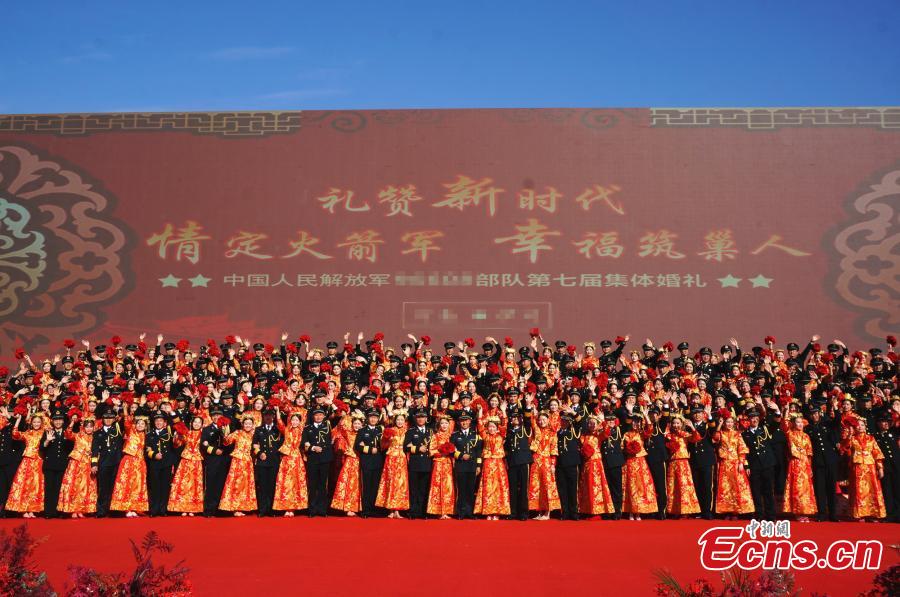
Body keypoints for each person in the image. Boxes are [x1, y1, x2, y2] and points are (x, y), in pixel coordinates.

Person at [841, 417, 886, 521]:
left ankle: (873, 513)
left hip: (870, 468)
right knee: (859, 491)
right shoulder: (852, 438)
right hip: (857, 468)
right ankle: (859, 514)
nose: (860, 427)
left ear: (865, 426)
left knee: (872, 490)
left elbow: (877, 453)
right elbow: (844, 448)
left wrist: (880, 468)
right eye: (858, 425)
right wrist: (849, 435)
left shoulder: (871, 438)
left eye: (862, 425)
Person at [4, 413, 45, 517]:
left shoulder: (43, 433)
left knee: (35, 485)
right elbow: (15, 434)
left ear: (41, 423)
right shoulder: (27, 433)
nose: (36, 424)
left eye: (38, 422)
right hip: (27, 461)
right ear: (31, 423)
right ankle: (23, 509)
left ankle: (32, 509)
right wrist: (18, 420)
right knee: (25, 484)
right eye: (34, 422)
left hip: (38, 461)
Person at [713, 414, 754, 518]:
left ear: (734, 423)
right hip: (724, 463)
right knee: (726, 488)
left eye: (731, 422)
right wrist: (719, 425)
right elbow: (715, 438)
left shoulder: (737, 434)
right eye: (727, 422)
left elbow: (742, 449)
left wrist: (741, 462)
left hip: (735, 463)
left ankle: (736, 510)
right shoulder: (721, 433)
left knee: (736, 487)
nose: (729, 424)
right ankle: (727, 510)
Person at [805, 403, 840, 521]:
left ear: (819, 413)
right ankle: (821, 514)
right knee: (820, 489)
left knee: (831, 488)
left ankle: (833, 514)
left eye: (815, 413)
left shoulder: (827, 424)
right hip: (818, 462)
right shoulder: (808, 429)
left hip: (830, 460)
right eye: (812, 414)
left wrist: (835, 407)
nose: (814, 416)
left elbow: (837, 421)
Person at [110, 415, 149, 517]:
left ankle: (134, 507)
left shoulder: (146, 436)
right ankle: (126, 509)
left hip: (140, 462)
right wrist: (126, 410)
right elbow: (127, 423)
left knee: (137, 486)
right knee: (126, 484)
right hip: (129, 461)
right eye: (138, 423)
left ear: (145, 426)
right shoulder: (131, 431)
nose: (140, 425)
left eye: (142, 424)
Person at [58, 415, 97, 518]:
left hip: (88, 464)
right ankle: (72, 509)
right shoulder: (78, 435)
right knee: (73, 486)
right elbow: (67, 434)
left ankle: (81, 509)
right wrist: (72, 422)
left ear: (94, 427)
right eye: (87, 426)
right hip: (75, 463)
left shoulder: (95, 438)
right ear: (83, 427)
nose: (89, 428)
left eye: (91, 426)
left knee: (84, 487)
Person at [742, 408, 777, 521]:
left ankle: (771, 515)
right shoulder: (744, 434)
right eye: (752, 417)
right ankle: (759, 515)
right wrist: (746, 466)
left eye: (756, 417)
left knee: (768, 490)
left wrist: (777, 410)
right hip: (754, 465)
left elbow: (776, 423)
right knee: (756, 491)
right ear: (749, 419)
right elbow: (744, 452)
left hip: (767, 464)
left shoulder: (765, 429)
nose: (754, 419)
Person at [220, 415, 258, 516]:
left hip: (248, 462)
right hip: (237, 461)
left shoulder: (254, 434)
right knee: (236, 483)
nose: (248, 425)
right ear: (242, 424)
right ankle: (234, 507)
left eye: (250, 424)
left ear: (253, 425)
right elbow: (227, 442)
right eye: (246, 423)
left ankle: (243, 506)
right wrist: (225, 434)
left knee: (245, 484)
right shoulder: (237, 433)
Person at [577, 414, 614, 518]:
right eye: (590, 423)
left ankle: (598, 510)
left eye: (594, 423)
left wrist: (603, 421)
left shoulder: (599, 435)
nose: (592, 425)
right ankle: (586, 510)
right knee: (586, 486)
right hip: (587, 463)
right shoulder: (584, 436)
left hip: (597, 463)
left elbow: (607, 433)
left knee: (597, 486)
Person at [664, 414, 700, 517]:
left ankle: (685, 510)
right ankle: (673, 510)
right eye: (674, 423)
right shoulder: (669, 435)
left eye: (678, 423)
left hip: (683, 462)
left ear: (681, 424)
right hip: (672, 462)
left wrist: (692, 427)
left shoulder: (684, 434)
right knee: (673, 486)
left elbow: (696, 438)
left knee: (684, 485)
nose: (676, 425)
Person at [474, 415, 510, 520]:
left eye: (494, 427)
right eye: (490, 427)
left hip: (498, 463)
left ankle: (497, 511)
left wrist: (503, 413)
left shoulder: (501, 436)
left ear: (497, 428)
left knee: (498, 487)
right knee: (488, 486)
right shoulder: (485, 436)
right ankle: (488, 511)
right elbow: (480, 427)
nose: (491, 428)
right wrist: (480, 414)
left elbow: (504, 425)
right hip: (488, 463)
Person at [622, 413, 657, 520]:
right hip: (629, 462)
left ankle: (639, 511)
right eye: (633, 421)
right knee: (630, 486)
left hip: (640, 462)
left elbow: (650, 430)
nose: (635, 424)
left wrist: (646, 416)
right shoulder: (626, 434)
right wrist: (627, 449)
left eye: (637, 421)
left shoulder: (641, 433)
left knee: (640, 485)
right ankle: (631, 511)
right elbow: (622, 446)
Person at [783, 414, 817, 522]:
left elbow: (809, 453)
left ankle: (805, 511)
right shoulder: (790, 434)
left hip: (805, 463)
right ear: (793, 424)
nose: (800, 424)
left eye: (801, 422)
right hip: (795, 463)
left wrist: (810, 467)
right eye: (797, 422)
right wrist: (786, 410)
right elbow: (784, 425)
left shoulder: (806, 436)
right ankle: (797, 511)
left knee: (805, 488)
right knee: (796, 488)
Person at [168, 416, 204, 516]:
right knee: (183, 483)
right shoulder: (187, 433)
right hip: (186, 460)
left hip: (197, 460)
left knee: (195, 484)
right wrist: (177, 436)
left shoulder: (203, 434)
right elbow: (177, 444)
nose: (196, 424)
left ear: (202, 425)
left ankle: (193, 508)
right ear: (191, 423)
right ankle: (182, 507)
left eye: (199, 422)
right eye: (195, 422)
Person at [273, 412, 308, 516]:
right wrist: (277, 410)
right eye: (293, 420)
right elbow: (279, 422)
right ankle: (285, 507)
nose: (294, 422)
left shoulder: (302, 430)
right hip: (286, 458)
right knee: (285, 482)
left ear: (300, 422)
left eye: (297, 420)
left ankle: (293, 508)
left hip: (297, 458)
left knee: (296, 482)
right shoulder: (287, 430)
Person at [376, 413, 410, 518]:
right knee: (390, 482)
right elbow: (382, 446)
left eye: (402, 420)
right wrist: (387, 439)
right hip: (391, 458)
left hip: (402, 459)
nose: (400, 422)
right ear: (395, 421)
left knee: (400, 484)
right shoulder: (390, 430)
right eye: (398, 420)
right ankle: (390, 509)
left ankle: (397, 510)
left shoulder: (407, 431)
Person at [527, 410, 559, 520]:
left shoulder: (552, 433)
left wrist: (553, 464)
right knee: (537, 486)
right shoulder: (536, 431)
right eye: (539, 420)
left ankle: (547, 512)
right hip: (536, 461)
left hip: (546, 461)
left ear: (548, 420)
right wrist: (532, 410)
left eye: (544, 420)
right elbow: (531, 421)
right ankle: (539, 511)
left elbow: (554, 450)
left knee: (547, 486)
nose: (541, 422)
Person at [91, 410, 123, 517]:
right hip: (103, 463)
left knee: (114, 487)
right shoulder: (97, 433)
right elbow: (95, 450)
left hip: (116, 463)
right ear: (103, 419)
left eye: (111, 418)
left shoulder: (117, 431)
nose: (108, 420)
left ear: (114, 419)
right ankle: (101, 510)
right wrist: (94, 464)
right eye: (106, 417)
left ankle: (113, 510)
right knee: (103, 488)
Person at [302, 407, 334, 517]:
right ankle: (312, 510)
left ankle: (322, 510)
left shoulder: (328, 427)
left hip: (325, 458)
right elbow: (303, 444)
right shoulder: (307, 428)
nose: (318, 417)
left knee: (323, 485)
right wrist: (312, 447)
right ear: (313, 416)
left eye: (321, 415)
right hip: (313, 459)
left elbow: (331, 441)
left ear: (324, 416)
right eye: (316, 415)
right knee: (313, 484)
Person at [450, 413, 481, 520]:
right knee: (461, 489)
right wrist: (462, 456)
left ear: (470, 422)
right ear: (459, 422)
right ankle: (461, 512)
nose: (464, 422)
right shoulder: (454, 435)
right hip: (461, 465)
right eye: (462, 420)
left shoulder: (475, 435)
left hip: (472, 466)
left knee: (471, 489)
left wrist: (478, 465)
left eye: (466, 420)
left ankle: (470, 512)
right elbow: (451, 450)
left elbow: (478, 452)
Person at [331, 411, 363, 516]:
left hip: (360, 461)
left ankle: (357, 507)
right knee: (348, 483)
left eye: (359, 424)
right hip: (350, 461)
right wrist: (346, 415)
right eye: (355, 423)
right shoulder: (348, 433)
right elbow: (340, 427)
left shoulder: (364, 434)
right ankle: (347, 507)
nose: (357, 425)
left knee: (358, 485)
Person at [253, 409, 283, 517]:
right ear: (263, 417)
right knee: (262, 486)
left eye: (270, 416)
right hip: (262, 461)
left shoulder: (278, 430)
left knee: (271, 486)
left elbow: (282, 444)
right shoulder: (258, 429)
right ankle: (262, 509)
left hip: (274, 461)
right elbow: (254, 445)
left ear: (273, 417)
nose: (268, 418)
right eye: (266, 416)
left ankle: (271, 509)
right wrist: (259, 453)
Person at [41, 411, 71, 518]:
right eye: (55, 420)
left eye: (60, 420)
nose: (58, 422)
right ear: (52, 421)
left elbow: (71, 449)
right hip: (50, 465)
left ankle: (58, 511)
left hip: (62, 465)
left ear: (63, 421)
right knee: (49, 488)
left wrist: (68, 440)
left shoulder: (67, 433)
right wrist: (47, 441)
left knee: (59, 488)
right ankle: (49, 512)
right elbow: (42, 448)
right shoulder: (48, 432)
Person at [504, 409, 533, 521]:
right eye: (513, 417)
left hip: (523, 461)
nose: (515, 419)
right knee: (513, 488)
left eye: (517, 417)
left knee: (523, 488)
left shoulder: (525, 429)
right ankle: (513, 512)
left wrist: (528, 407)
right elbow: (506, 448)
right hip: (512, 462)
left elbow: (527, 420)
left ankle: (524, 513)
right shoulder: (509, 432)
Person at [354, 409, 384, 518]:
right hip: (366, 461)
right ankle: (366, 510)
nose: (373, 419)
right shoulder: (362, 431)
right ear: (368, 418)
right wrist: (370, 449)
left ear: (378, 419)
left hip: (378, 462)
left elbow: (384, 445)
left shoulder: (380, 430)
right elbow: (357, 446)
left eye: (375, 417)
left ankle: (373, 509)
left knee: (375, 486)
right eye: (371, 417)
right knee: (366, 486)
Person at [145, 412, 176, 517]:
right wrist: (153, 454)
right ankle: (154, 510)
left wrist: (172, 412)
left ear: (165, 422)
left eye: (161, 421)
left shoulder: (169, 433)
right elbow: (146, 449)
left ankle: (163, 509)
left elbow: (179, 425)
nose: (158, 422)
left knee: (165, 487)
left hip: (167, 463)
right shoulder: (149, 435)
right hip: (154, 464)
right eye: (157, 421)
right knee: (154, 487)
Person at [404, 410, 433, 519]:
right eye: (419, 417)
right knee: (414, 489)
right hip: (415, 464)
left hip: (426, 464)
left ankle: (422, 512)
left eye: (423, 417)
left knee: (424, 489)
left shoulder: (430, 432)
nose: (421, 419)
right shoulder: (411, 432)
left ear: (426, 419)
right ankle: (413, 512)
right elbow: (405, 446)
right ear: (416, 419)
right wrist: (417, 448)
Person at [201, 410, 230, 517]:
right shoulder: (207, 429)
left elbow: (231, 443)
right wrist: (214, 450)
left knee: (221, 484)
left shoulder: (227, 427)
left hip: (224, 459)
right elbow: (203, 445)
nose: (216, 417)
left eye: (219, 415)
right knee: (211, 484)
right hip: (212, 459)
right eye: (214, 415)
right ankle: (209, 509)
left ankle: (220, 509)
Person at [427, 414, 456, 519]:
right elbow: (431, 451)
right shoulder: (435, 436)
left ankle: (446, 511)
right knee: (437, 486)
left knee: (448, 486)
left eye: (446, 423)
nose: (444, 425)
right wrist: (442, 451)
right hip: (438, 463)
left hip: (448, 464)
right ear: (439, 425)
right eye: (442, 423)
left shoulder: (451, 436)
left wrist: (451, 451)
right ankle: (438, 511)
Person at [873, 412, 899, 523]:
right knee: (887, 491)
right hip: (886, 467)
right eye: (884, 421)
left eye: (888, 421)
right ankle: (890, 514)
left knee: (898, 490)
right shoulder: (876, 437)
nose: (886, 424)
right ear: (878, 423)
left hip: (897, 466)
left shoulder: (894, 433)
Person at [556, 413, 581, 520]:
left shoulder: (574, 431)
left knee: (572, 488)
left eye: (567, 421)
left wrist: (574, 414)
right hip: (561, 464)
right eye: (563, 421)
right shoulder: (558, 432)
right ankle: (565, 512)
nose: (564, 422)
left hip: (571, 463)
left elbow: (579, 423)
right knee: (563, 489)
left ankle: (574, 512)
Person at [600, 415, 625, 519]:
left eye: (612, 420)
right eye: (608, 420)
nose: (610, 422)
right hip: (605, 462)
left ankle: (617, 510)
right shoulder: (602, 430)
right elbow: (604, 435)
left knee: (616, 488)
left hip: (615, 463)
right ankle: (609, 511)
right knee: (608, 488)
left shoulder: (618, 430)